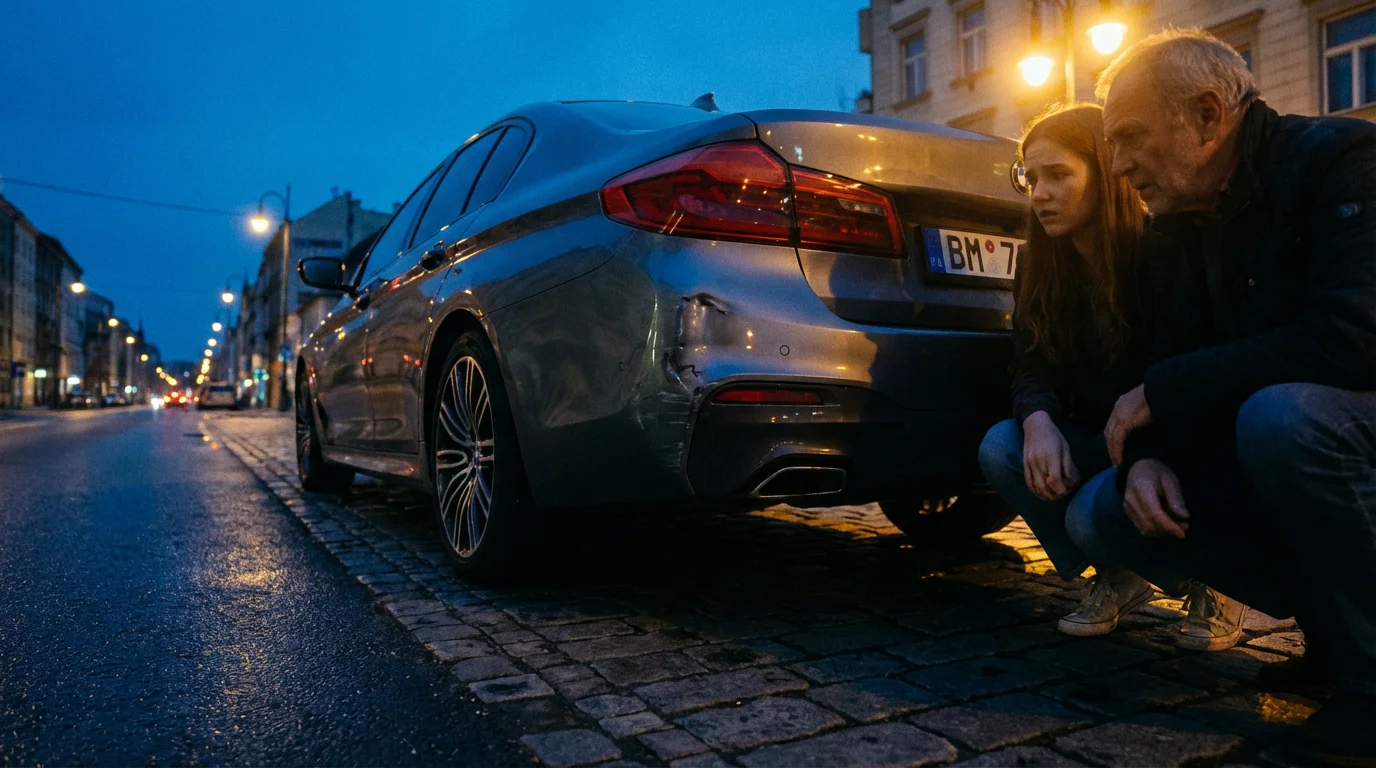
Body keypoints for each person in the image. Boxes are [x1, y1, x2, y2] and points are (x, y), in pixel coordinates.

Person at [1070, 29, 1376, 763]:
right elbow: (1164, 363)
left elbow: (1358, 337)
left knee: (1283, 420)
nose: (1117, 165)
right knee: (1103, 510)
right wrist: (1145, 455)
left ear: (1207, 116)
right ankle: (1336, 634)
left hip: (1345, 427)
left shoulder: (1340, 161)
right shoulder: (1175, 224)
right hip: (1292, 440)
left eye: (1132, 138)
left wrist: (1167, 392)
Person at [978, 104, 1233, 642]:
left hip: (1174, 446)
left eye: (1058, 175)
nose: (1038, 193)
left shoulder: (1161, 249)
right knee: (1001, 447)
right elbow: (1030, 360)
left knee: (1088, 516)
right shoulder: (1041, 262)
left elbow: (1188, 369)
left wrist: (1151, 447)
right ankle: (1117, 577)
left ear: (1106, 172)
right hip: (1097, 437)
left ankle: (1220, 579)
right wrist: (1038, 421)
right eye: (1031, 177)